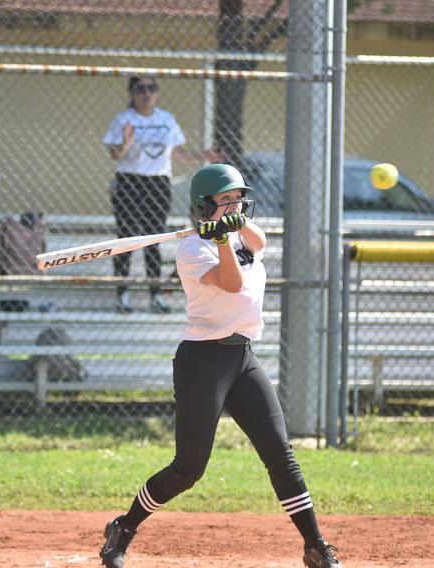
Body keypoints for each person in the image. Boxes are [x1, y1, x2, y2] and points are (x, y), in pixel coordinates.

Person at [98, 164, 341, 568]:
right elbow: (230, 283)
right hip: (203, 361)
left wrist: (232, 226)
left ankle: (315, 546)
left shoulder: (242, 233)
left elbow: (258, 239)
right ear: (203, 205)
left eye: (238, 198)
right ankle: (124, 527)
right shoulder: (192, 249)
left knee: (281, 456)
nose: (235, 204)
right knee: (188, 469)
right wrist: (221, 240)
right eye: (225, 199)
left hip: (242, 358)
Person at [104, 76, 218, 314]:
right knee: (126, 237)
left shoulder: (166, 119)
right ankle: (122, 292)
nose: (147, 93)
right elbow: (115, 155)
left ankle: (155, 293)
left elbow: (177, 153)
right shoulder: (124, 119)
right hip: (130, 179)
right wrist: (125, 142)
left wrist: (203, 156)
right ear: (132, 93)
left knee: (154, 238)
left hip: (157, 182)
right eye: (141, 89)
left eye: (151, 88)